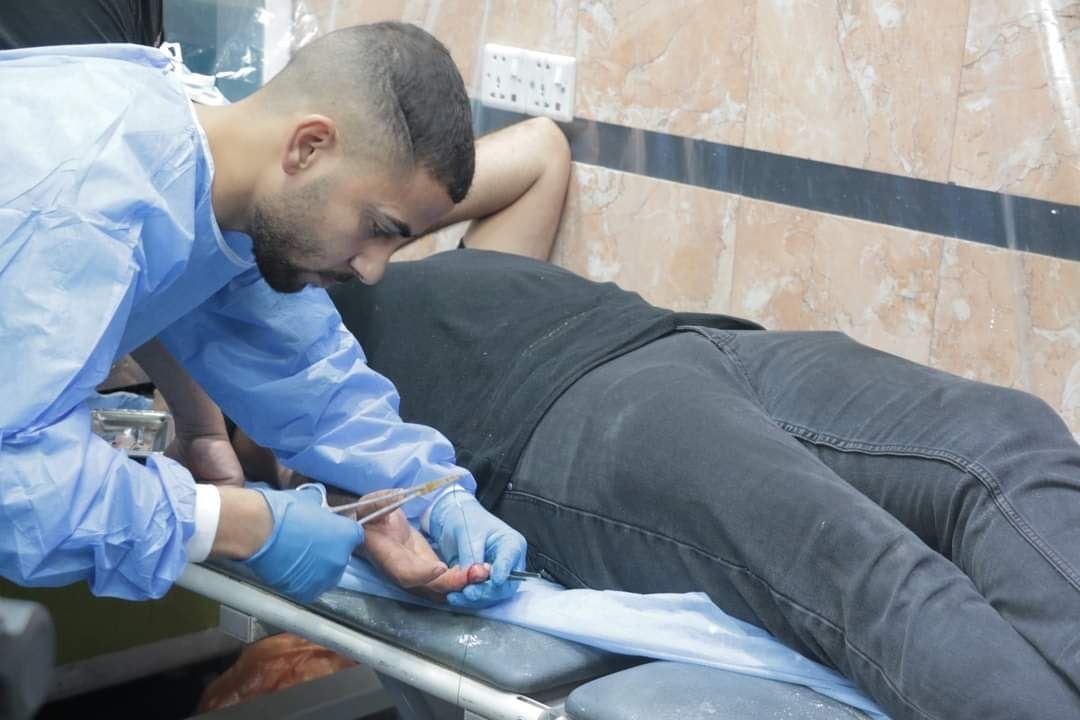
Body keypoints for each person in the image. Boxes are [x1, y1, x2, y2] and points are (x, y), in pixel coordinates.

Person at [300, 247, 1080, 720]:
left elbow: (538, 152)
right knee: (868, 569)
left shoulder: (367, 248)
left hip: (690, 338)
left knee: (1007, 437)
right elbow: (283, 497)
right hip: (567, 421)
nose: (374, 257)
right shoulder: (277, 362)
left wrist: (374, 211)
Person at [0, 22, 547, 609]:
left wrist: (432, 493)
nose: (373, 270)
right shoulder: (77, 199)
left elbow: (305, 376)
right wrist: (235, 523)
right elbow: (17, 483)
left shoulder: (211, 191)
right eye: (377, 228)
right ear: (307, 146)